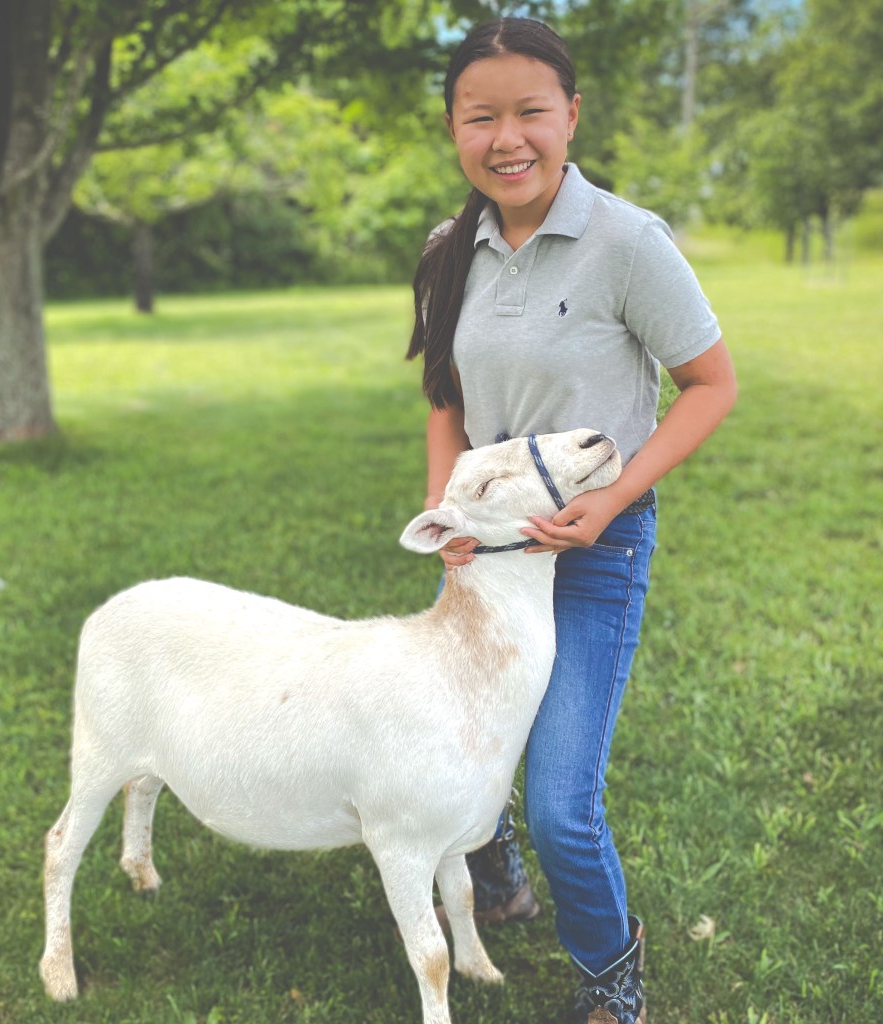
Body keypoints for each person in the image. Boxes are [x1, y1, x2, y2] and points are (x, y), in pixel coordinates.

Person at [405, 17, 737, 1024]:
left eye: (529, 112)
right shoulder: (445, 247)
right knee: (463, 747)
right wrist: (445, 511)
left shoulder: (628, 243)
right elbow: (443, 404)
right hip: (486, 549)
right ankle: (494, 877)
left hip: (595, 546)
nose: (506, 138)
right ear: (454, 129)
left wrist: (611, 498)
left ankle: (611, 974)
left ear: (571, 115)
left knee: (559, 797)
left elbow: (710, 385)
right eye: (480, 116)